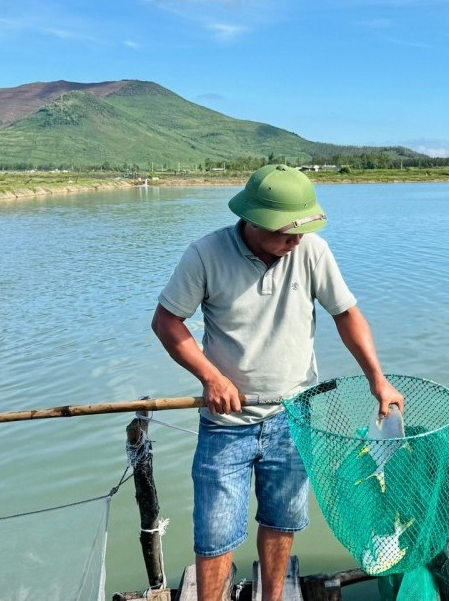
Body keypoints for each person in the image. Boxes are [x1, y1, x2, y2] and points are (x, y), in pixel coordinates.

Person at [151, 163, 404, 601]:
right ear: (254, 220)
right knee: (215, 534)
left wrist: (377, 380)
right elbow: (167, 321)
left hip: (293, 416)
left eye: (302, 230)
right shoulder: (205, 255)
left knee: (282, 520)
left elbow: (346, 315)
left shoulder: (312, 252)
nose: (296, 240)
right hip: (226, 422)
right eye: (287, 232)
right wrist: (211, 377)